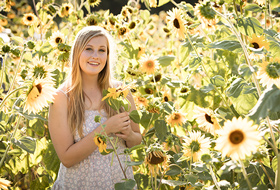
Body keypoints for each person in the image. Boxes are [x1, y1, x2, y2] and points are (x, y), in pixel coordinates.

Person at [48, 26, 142, 190]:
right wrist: (106, 128)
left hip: (118, 183)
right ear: (77, 52)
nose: (95, 56)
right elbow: (67, 158)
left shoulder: (120, 92)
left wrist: (129, 135)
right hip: (78, 184)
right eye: (89, 49)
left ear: (107, 55)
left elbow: (136, 141)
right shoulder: (62, 98)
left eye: (101, 50)